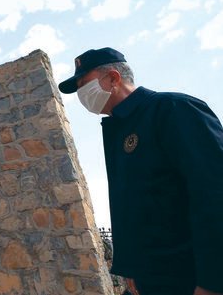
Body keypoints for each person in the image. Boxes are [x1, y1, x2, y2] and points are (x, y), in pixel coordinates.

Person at [58, 47, 223, 295]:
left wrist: (213, 281)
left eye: (84, 84)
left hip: (187, 279)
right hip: (149, 281)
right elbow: (135, 205)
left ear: (113, 78)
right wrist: (130, 268)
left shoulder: (172, 110)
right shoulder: (119, 130)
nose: (81, 95)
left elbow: (214, 194)